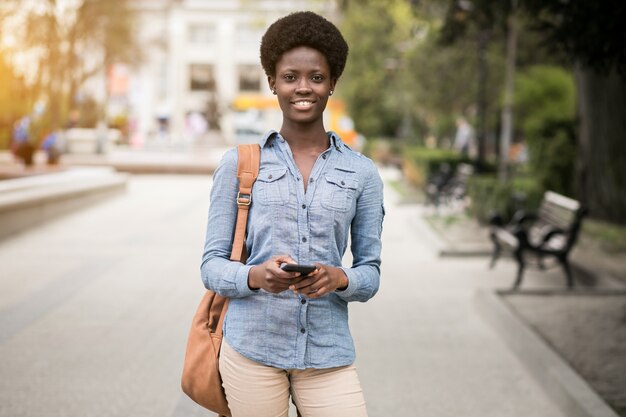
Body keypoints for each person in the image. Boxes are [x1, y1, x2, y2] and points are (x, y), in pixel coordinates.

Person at [201, 11, 384, 417]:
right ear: (272, 83)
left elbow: (370, 273)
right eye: (290, 77)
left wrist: (339, 278)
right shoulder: (239, 165)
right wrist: (255, 275)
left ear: (332, 82)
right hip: (252, 348)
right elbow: (211, 266)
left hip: (328, 352)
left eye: (316, 77)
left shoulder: (361, 173)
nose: (304, 88)